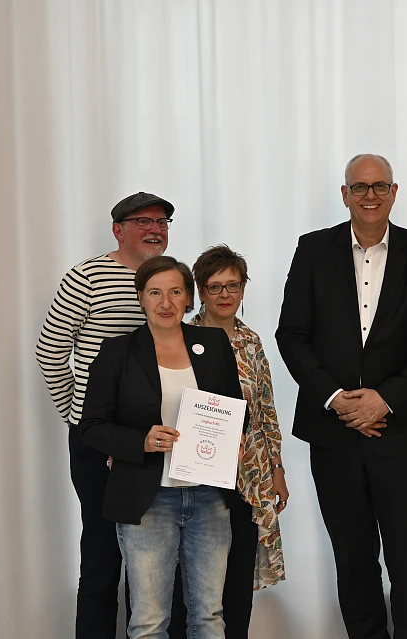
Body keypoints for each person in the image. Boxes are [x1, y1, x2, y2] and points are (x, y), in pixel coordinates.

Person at [276, 153, 407, 639]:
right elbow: (291, 334)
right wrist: (336, 398)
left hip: (403, 434)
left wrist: (385, 399)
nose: (370, 195)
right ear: (345, 194)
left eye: (380, 186)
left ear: (395, 192)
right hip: (333, 435)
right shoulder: (313, 250)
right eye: (360, 187)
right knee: (353, 561)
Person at [79, 256, 248, 639]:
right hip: (148, 498)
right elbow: (91, 425)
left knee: (209, 616)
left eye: (175, 292)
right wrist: (140, 440)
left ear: (189, 298)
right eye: (155, 292)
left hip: (208, 497)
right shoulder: (116, 352)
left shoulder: (213, 343)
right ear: (141, 298)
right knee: (150, 622)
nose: (166, 302)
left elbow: (238, 410)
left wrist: (233, 436)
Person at [35, 191, 174, 638]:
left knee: (151, 556)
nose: (155, 229)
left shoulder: (168, 278)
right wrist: (79, 416)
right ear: (119, 229)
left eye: (162, 221)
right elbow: (51, 350)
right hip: (100, 436)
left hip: (156, 437)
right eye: (143, 221)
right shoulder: (88, 277)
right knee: (101, 552)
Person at [170, 244, 288, 638]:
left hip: (249, 477)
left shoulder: (251, 341)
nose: (225, 294)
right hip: (197, 476)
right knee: (193, 585)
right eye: (215, 286)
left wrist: (277, 469)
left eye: (233, 285)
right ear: (199, 291)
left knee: (237, 581)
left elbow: (267, 409)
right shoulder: (181, 338)